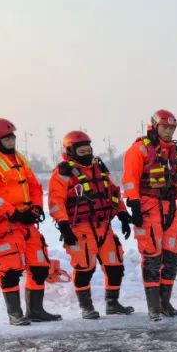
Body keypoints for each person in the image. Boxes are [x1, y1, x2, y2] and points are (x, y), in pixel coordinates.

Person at [0, 117, 59, 324]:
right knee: (10, 269)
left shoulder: (18, 159)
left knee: (39, 265)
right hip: (3, 224)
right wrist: (13, 213)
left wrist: (36, 207)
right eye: (6, 138)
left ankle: (35, 310)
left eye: (12, 137)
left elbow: (35, 186)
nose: (11, 141)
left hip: (27, 221)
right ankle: (14, 314)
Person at [49, 130, 134, 319]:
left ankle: (112, 303)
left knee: (115, 265)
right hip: (80, 229)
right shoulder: (63, 174)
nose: (86, 154)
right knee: (84, 268)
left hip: (104, 226)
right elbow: (56, 202)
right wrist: (64, 226)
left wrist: (122, 213)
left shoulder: (99, 168)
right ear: (70, 151)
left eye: (88, 150)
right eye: (81, 151)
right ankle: (86, 307)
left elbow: (113, 192)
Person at [121, 110, 177, 320]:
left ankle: (165, 302)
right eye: (165, 127)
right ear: (155, 126)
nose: (168, 132)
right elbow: (130, 179)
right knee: (151, 255)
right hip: (148, 206)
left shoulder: (176, 153)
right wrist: (134, 206)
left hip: (170, 209)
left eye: (172, 128)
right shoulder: (139, 150)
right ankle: (153, 307)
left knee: (172, 255)